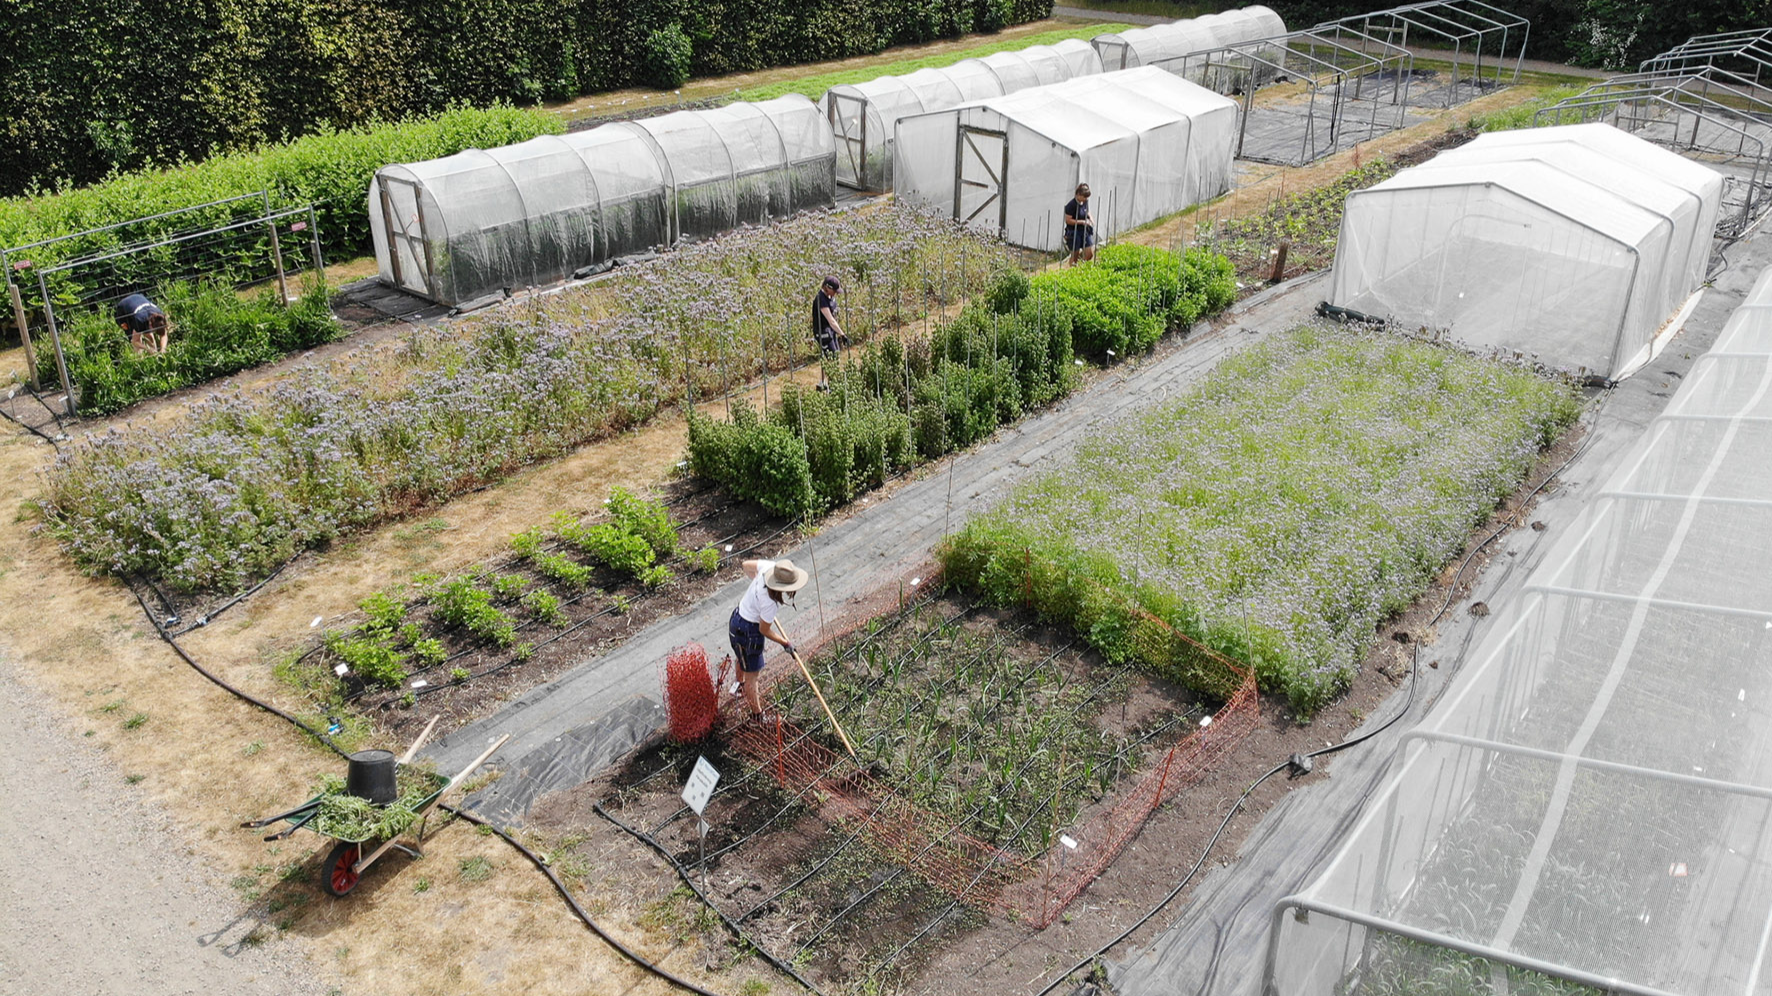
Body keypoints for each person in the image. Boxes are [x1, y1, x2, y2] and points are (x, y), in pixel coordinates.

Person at [728, 557, 810, 721]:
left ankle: (738, 685)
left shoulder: (769, 567)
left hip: (737, 619)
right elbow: (764, 629)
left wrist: (756, 587)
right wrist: (785, 643)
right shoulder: (770, 602)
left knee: (742, 657)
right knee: (753, 675)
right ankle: (757, 717)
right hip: (749, 631)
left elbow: (746, 565)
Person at [811, 276, 849, 391]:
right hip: (823, 334)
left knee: (832, 355)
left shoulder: (829, 297)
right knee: (832, 358)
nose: (836, 294)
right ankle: (833, 388)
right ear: (827, 288)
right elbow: (830, 320)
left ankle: (822, 383)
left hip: (830, 332)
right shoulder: (820, 299)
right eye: (835, 291)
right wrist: (842, 334)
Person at [1063, 183, 1096, 265]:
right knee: (1074, 256)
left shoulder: (1085, 202)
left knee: (1090, 254)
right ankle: (1073, 270)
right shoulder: (1071, 205)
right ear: (1078, 194)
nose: (1086, 199)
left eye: (1087, 197)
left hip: (1084, 231)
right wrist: (1082, 222)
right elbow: (1068, 220)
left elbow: (1087, 211)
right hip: (1074, 232)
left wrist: (1091, 218)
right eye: (1084, 197)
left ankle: (1081, 266)